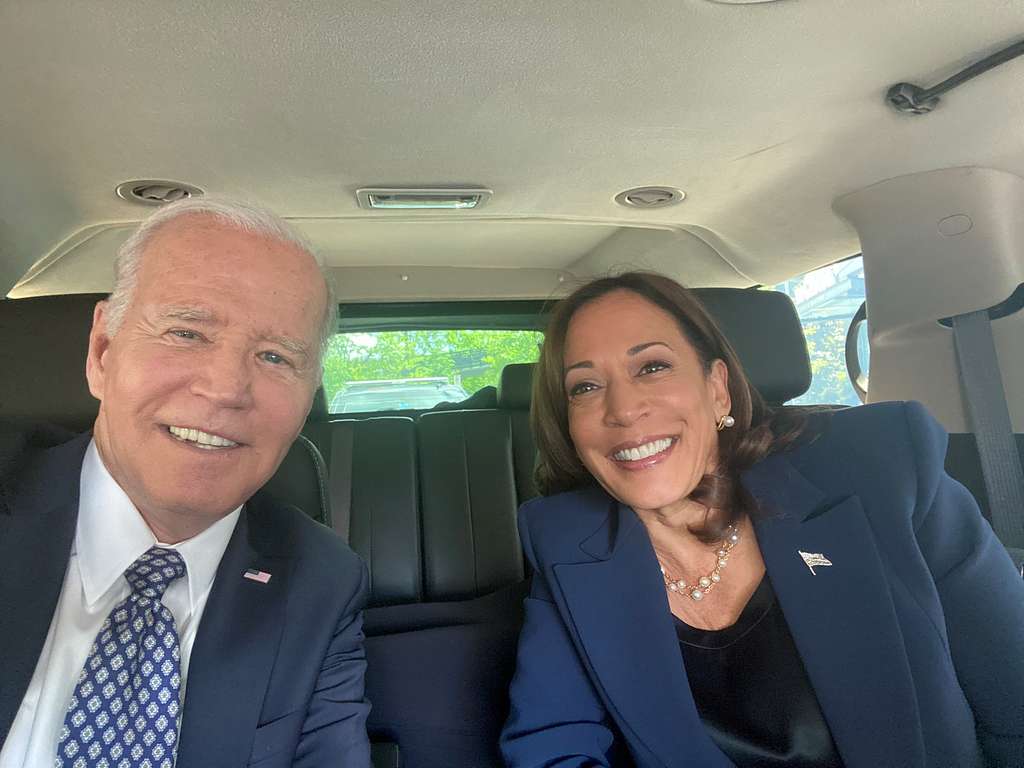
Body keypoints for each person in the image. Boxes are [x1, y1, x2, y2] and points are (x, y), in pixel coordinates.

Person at [500, 271, 1024, 768]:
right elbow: (551, 745)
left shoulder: (885, 471)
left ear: (717, 389)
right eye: (585, 387)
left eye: (652, 367)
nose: (622, 408)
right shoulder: (566, 543)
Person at [0, 199, 371, 768]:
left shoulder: (321, 578)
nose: (226, 388)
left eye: (275, 356)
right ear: (102, 352)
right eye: (187, 333)